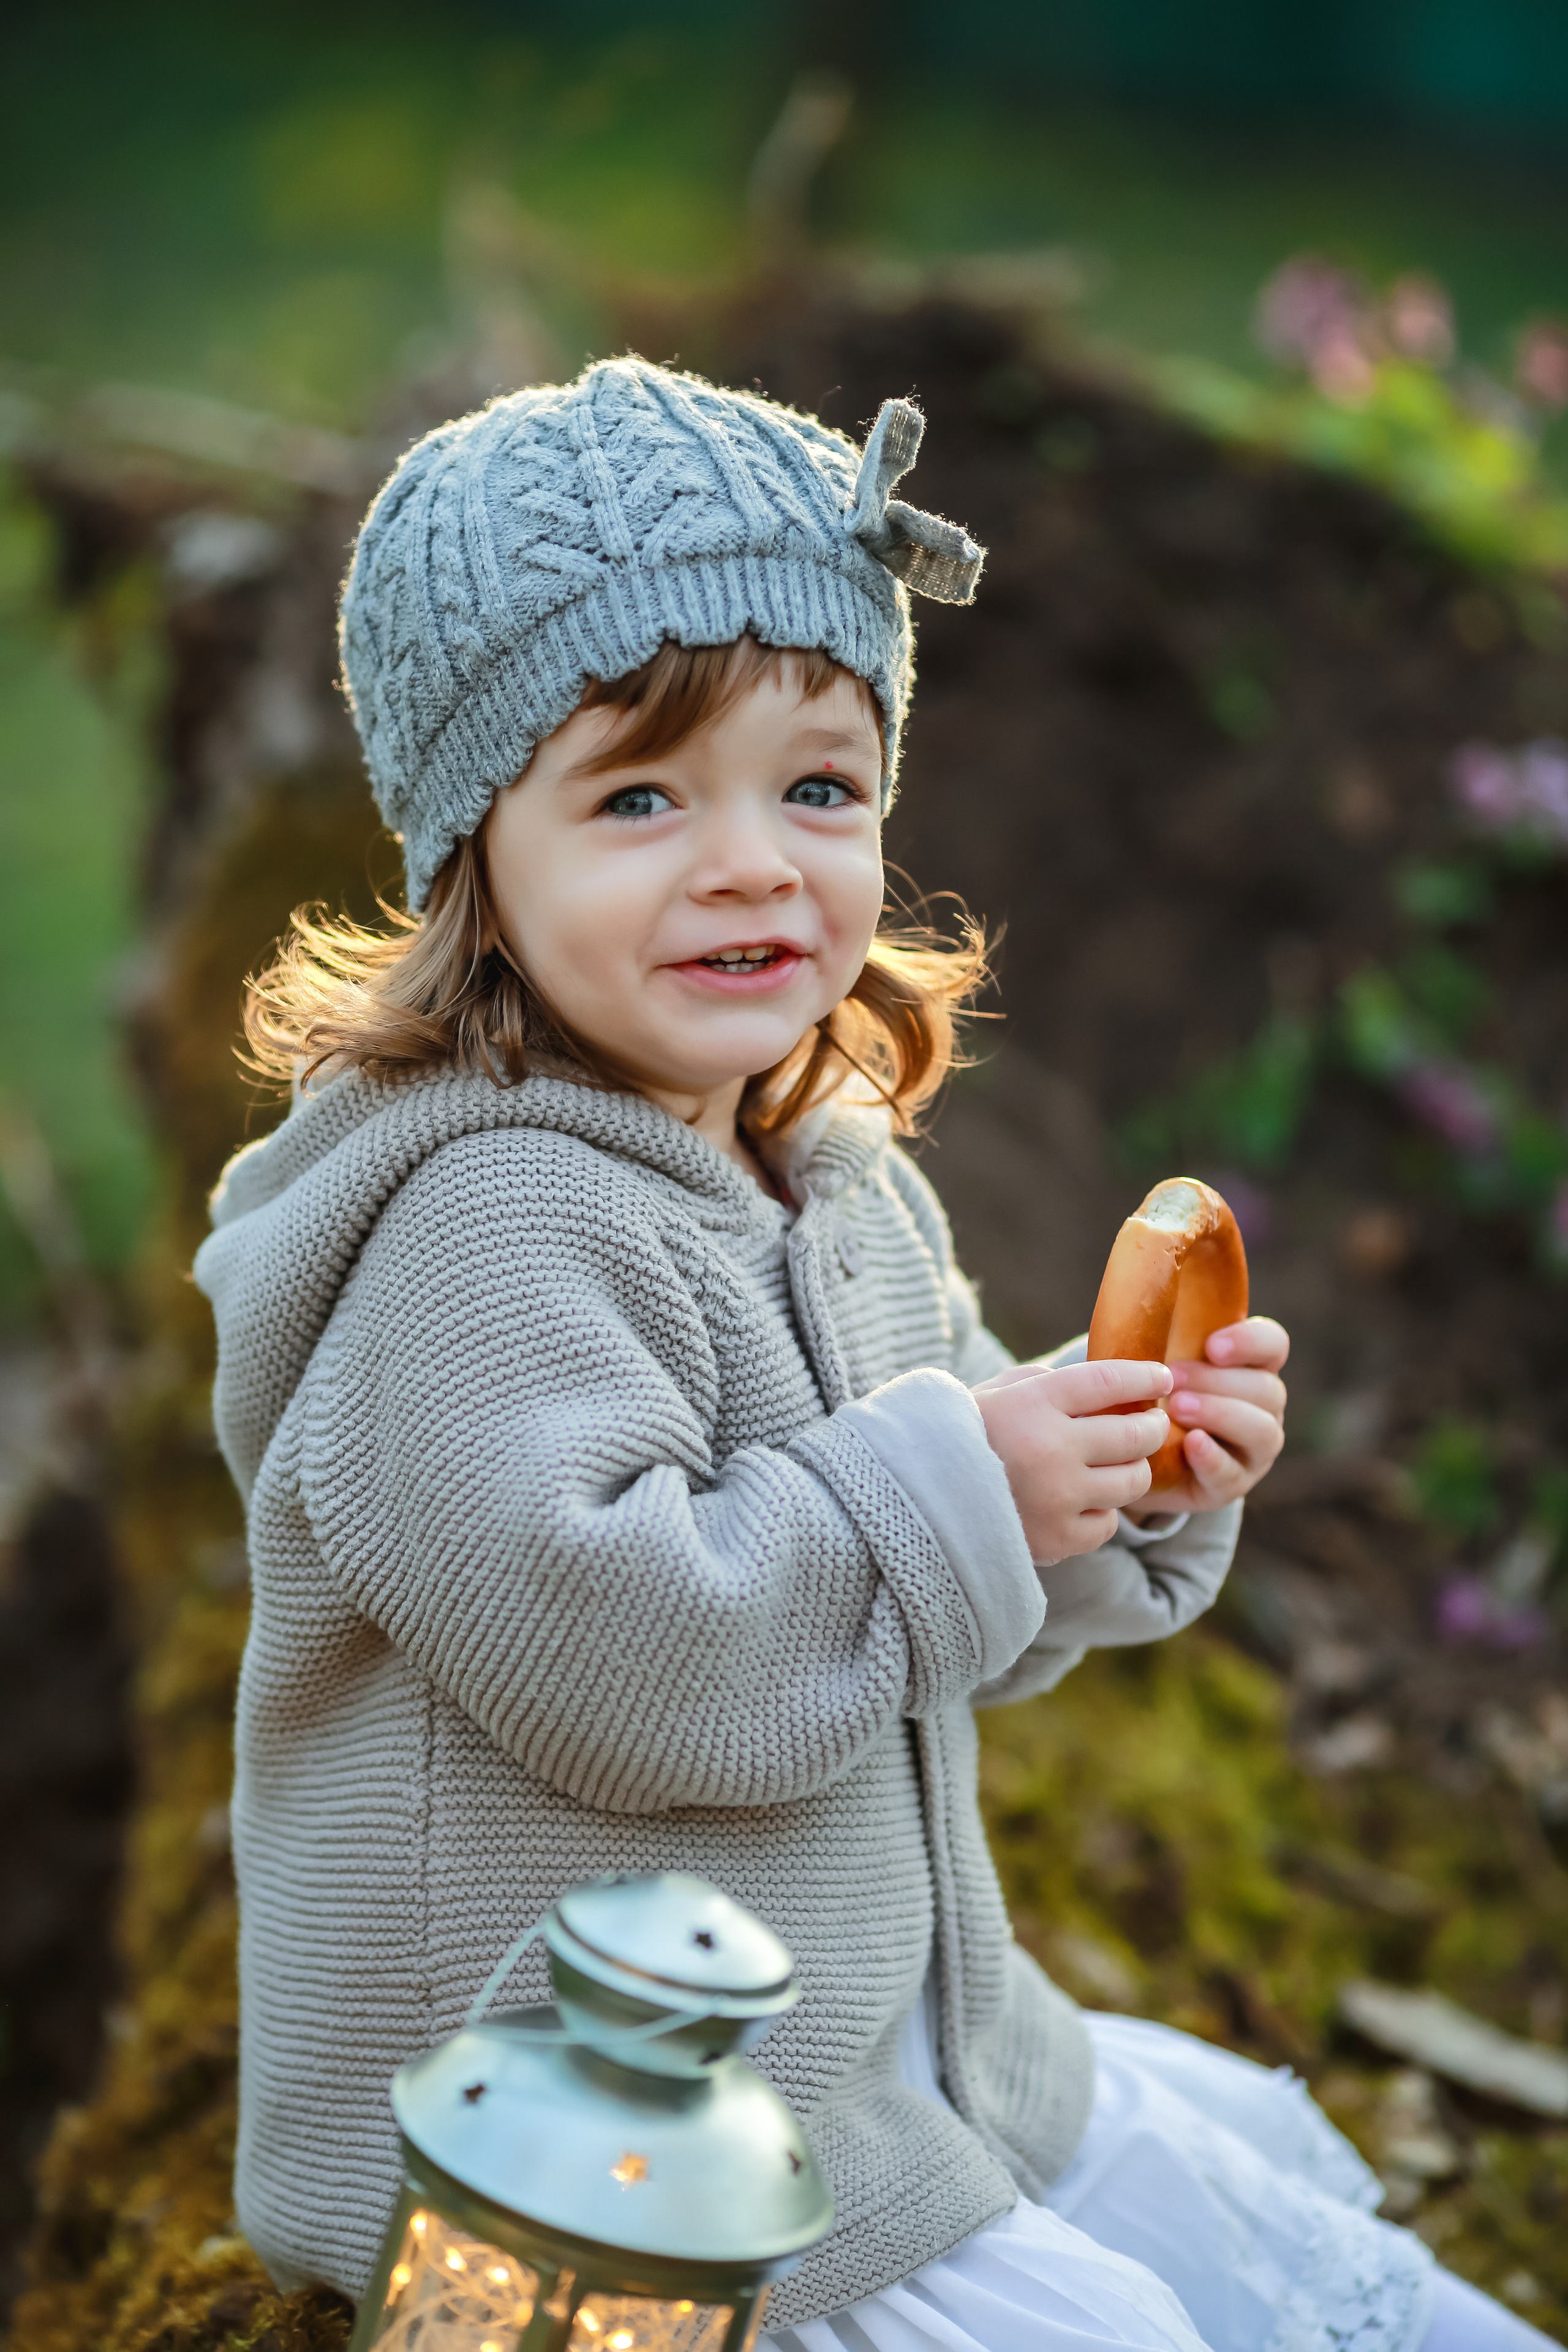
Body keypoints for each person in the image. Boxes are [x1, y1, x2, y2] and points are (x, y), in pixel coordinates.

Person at [195, 360, 1549, 2352]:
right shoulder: (475, 1240)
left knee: (1340, 2304)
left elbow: (929, 1594)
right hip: (595, 2175)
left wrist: (1109, 1474)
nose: (754, 860)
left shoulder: (825, 1174)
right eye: (642, 795)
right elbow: (630, 1664)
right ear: (473, 855)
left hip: (877, 2049)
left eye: (818, 786)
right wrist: (960, 1489)